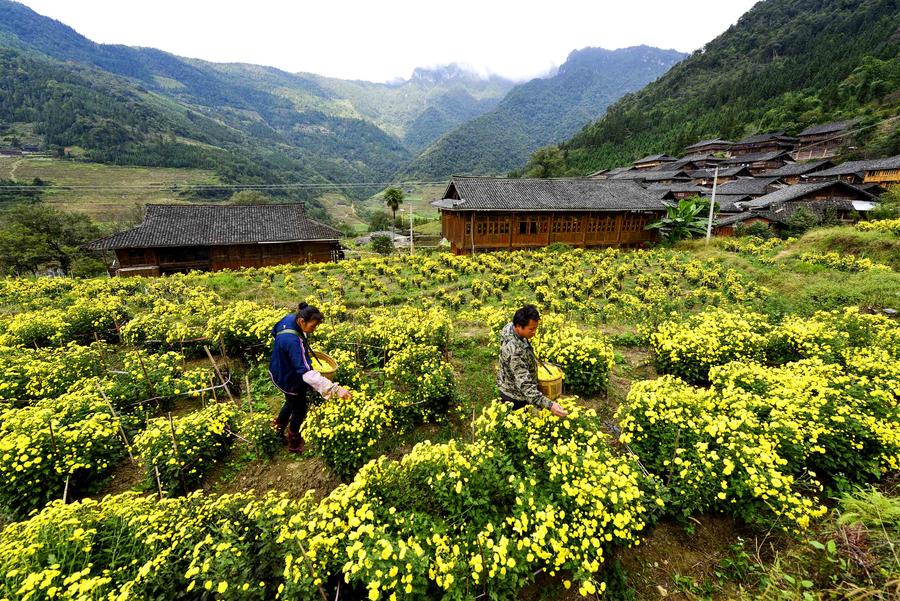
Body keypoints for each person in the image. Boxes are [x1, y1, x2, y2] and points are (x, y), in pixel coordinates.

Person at [269, 302, 352, 452]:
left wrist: (286, 353)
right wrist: (335, 389)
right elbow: (306, 373)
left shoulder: (289, 318)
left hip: (278, 368)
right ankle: (294, 442)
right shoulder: (293, 342)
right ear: (302, 321)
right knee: (299, 409)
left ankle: (277, 429)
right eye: (312, 326)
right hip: (290, 377)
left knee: (290, 401)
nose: (313, 330)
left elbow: (274, 332)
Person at [497, 304, 568, 418]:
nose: (534, 332)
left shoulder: (510, 327)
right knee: (517, 428)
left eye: (536, 328)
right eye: (531, 329)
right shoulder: (515, 351)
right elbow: (525, 387)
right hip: (513, 396)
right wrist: (550, 405)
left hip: (510, 383)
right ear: (519, 326)